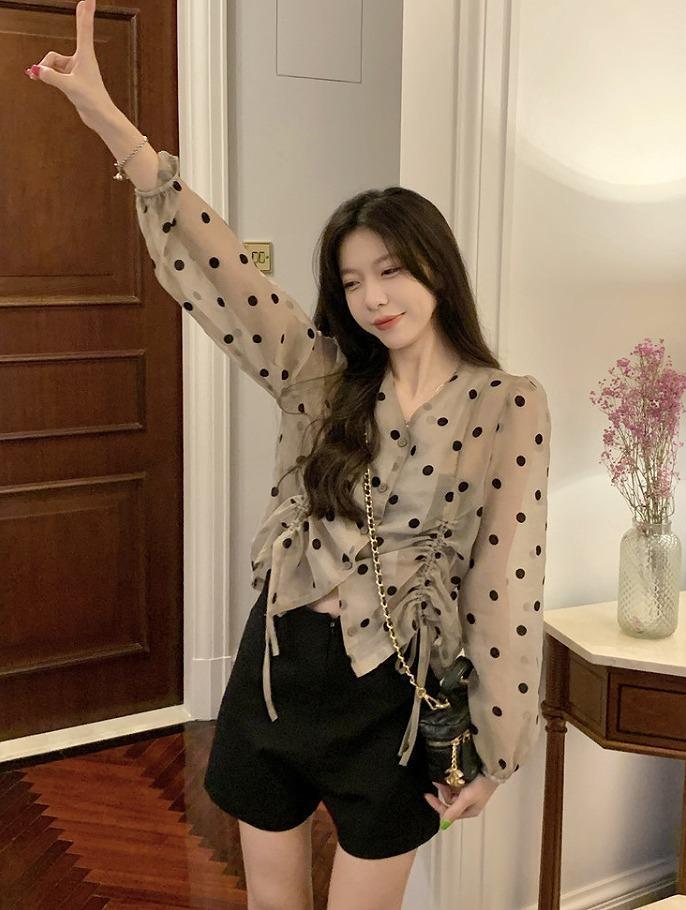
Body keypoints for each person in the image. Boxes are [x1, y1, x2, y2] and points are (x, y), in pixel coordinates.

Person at [25, 2, 551, 908]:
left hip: (395, 697)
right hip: (279, 667)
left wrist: (496, 755)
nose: (374, 297)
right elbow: (225, 276)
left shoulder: (508, 405)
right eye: (353, 281)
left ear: (437, 266)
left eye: (391, 270)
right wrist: (115, 128)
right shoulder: (320, 373)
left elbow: (507, 584)